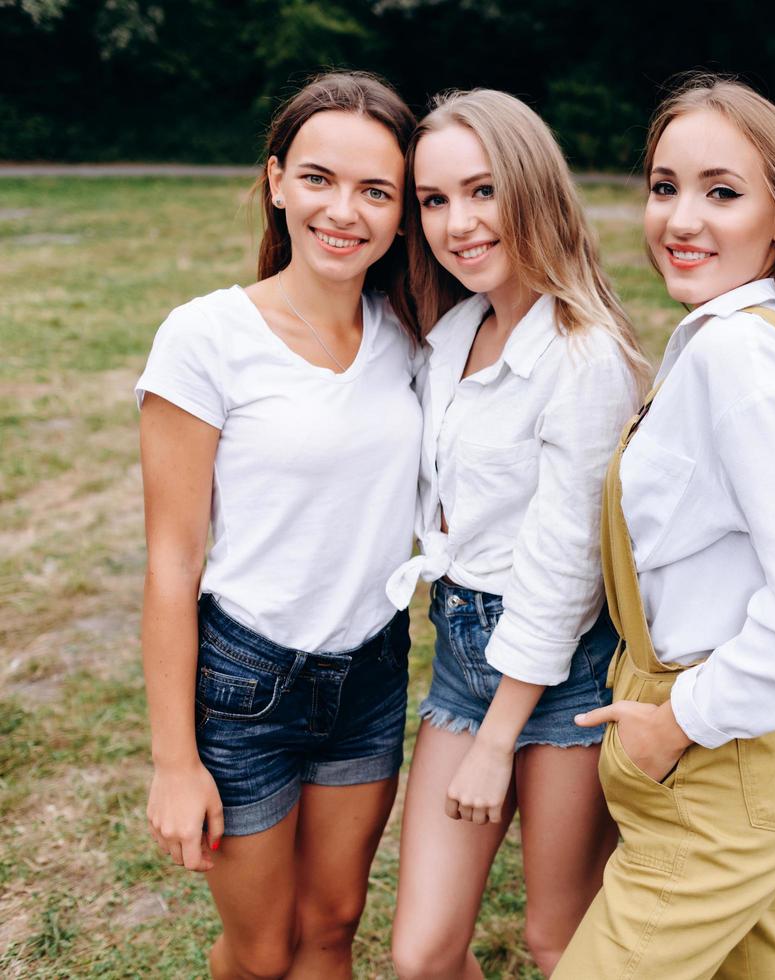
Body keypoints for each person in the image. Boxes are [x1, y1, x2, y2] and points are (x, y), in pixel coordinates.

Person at [553, 75, 775, 979]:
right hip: (715, 755)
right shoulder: (713, 341)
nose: (681, 219)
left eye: (720, 192)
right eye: (664, 187)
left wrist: (676, 721)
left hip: (717, 758)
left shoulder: (738, 357)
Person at [136, 72, 420, 979]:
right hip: (246, 683)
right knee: (261, 955)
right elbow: (172, 563)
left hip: (372, 670)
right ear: (275, 182)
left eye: (375, 190)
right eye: (318, 179)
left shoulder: (412, 337)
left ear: (402, 209)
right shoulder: (206, 337)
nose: (345, 211)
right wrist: (175, 763)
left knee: (333, 925)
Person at [384, 89, 646, 978]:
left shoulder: (583, 356)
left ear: (532, 189)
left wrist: (498, 742)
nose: (457, 223)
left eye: (481, 191)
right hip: (463, 649)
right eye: (433, 200)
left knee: (556, 940)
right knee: (421, 955)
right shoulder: (454, 332)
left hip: (561, 669)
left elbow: (566, 571)